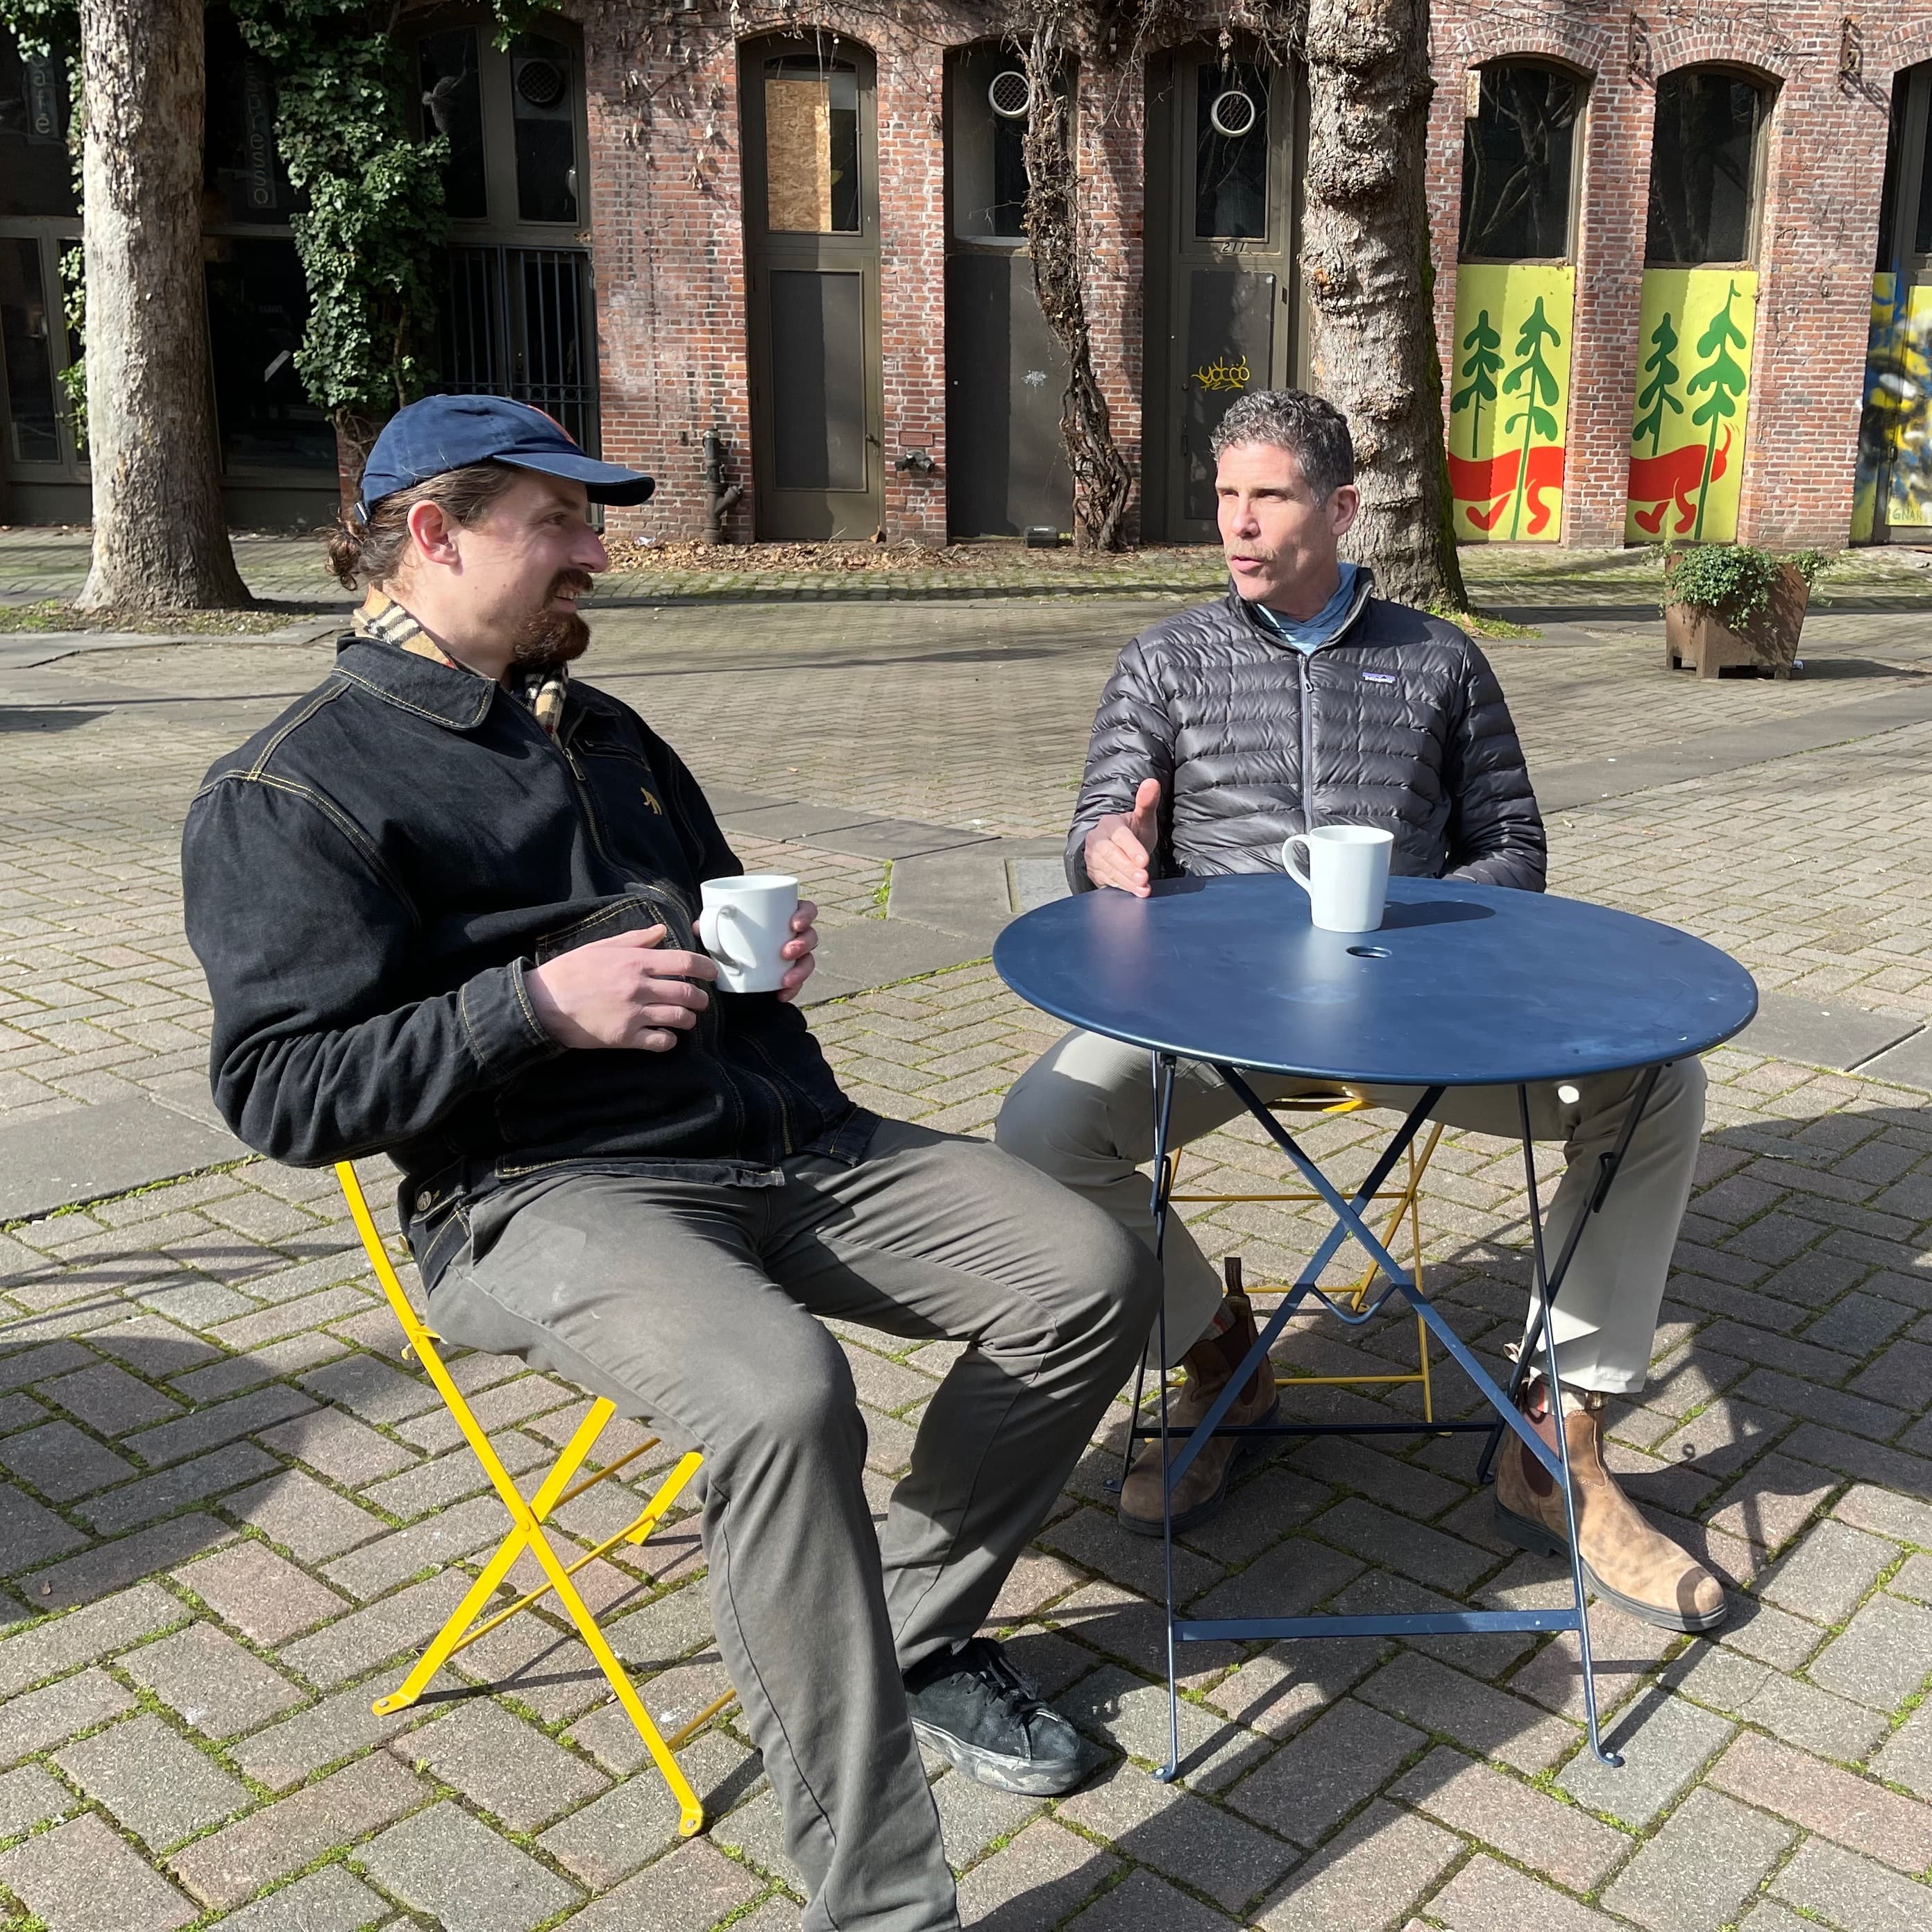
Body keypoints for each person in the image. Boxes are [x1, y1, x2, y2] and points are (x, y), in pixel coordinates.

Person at [180, 395, 1162, 1932]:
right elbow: (280, 1090)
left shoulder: (604, 729)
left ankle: (907, 1618)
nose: (595, 553)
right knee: (781, 1395)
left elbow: (704, 910)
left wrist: (750, 957)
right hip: (547, 1196)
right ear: (433, 537)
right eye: (557, 525)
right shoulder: (292, 787)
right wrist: (530, 1006)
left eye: (589, 523)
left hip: (784, 1140)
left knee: (1095, 1270)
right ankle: (885, 1901)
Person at [995, 387, 1725, 1636]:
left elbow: (1515, 846)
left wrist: (1412, 926)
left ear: (1338, 508)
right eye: (1225, 495)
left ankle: (1555, 1437)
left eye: (1267, 497)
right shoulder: (1166, 659)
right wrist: (1106, 850)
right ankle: (1221, 1358)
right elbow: (1101, 820)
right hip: (1208, 1030)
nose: (1236, 524)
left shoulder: (1438, 657)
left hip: (1414, 1034)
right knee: (1041, 1132)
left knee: (1660, 1084)